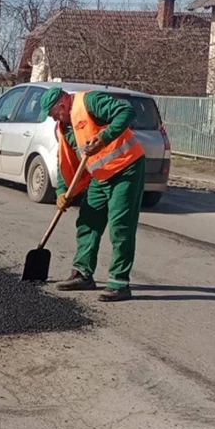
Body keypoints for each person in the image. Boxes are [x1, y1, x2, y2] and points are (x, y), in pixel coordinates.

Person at [39, 86, 146, 302]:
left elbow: (127, 112)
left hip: (126, 168)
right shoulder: (63, 128)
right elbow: (66, 163)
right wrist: (62, 192)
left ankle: (119, 283)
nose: (52, 119)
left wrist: (104, 137)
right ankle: (82, 274)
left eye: (52, 114)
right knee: (88, 221)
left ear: (61, 105)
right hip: (100, 175)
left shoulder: (90, 102)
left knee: (120, 225)